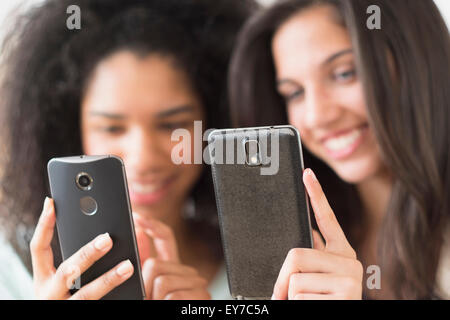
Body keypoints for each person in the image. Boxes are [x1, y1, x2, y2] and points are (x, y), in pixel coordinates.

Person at [0, 0, 256, 299]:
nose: (143, 158)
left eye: (172, 125)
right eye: (111, 128)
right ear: (70, 131)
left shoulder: (264, 268)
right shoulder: (10, 270)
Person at [229, 0, 450, 299]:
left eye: (344, 73)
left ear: (415, 61)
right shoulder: (301, 245)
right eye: (294, 93)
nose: (316, 116)